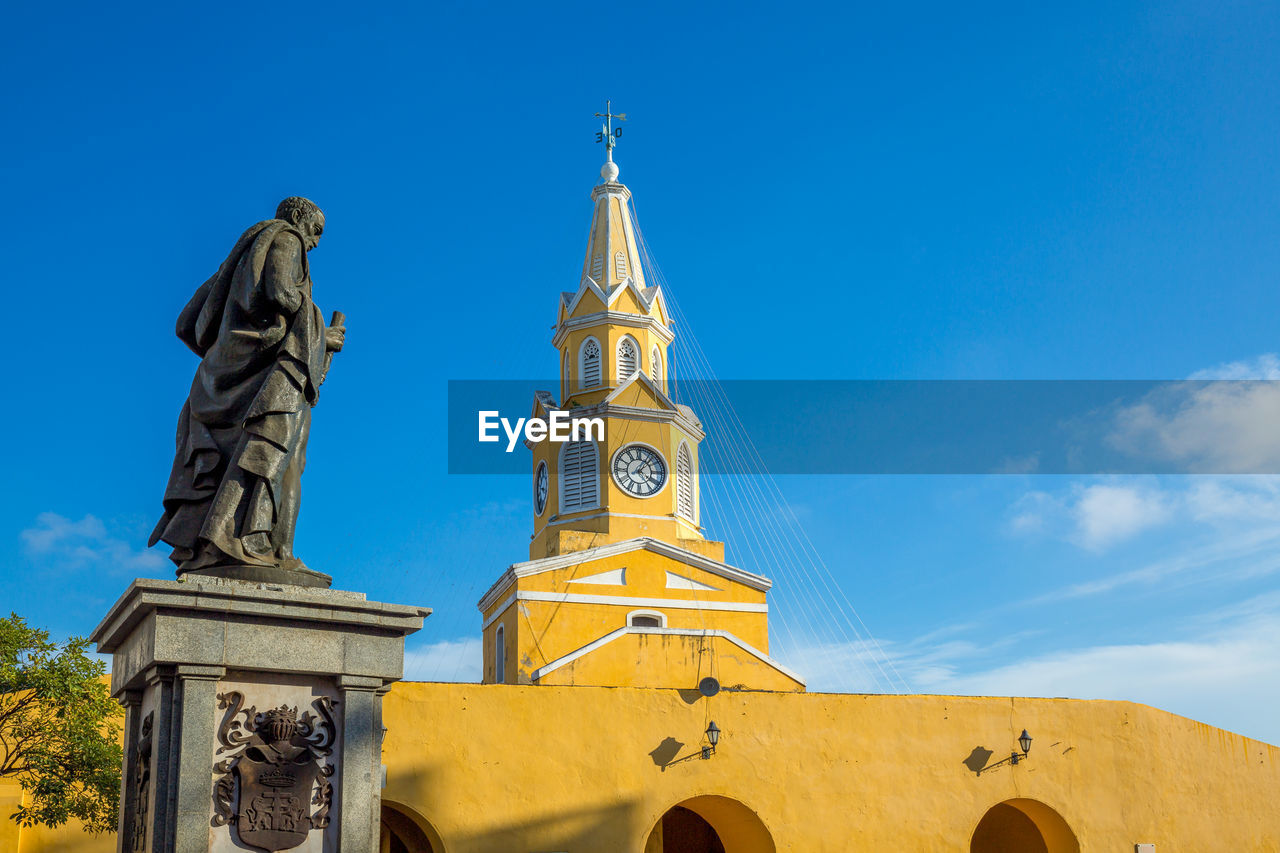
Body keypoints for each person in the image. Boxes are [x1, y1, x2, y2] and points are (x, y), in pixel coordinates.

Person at [148, 197, 344, 587]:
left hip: (225, 373)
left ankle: (227, 543)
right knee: (281, 455)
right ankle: (265, 547)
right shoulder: (286, 238)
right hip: (272, 370)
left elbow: (188, 321)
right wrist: (323, 334)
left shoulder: (236, 261)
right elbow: (280, 295)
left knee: (244, 457)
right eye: (316, 232)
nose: (316, 244)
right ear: (301, 221)